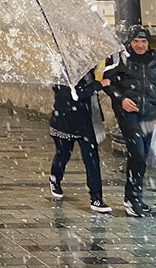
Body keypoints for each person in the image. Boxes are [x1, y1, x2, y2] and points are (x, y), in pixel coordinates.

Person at [104, 26, 156, 217]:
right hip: (129, 115)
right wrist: (121, 99)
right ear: (130, 41)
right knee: (137, 152)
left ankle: (134, 197)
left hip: (149, 115)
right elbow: (105, 82)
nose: (140, 45)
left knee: (142, 156)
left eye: (144, 41)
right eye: (136, 41)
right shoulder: (120, 58)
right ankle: (132, 198)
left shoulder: (155, 59)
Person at [48, 69, 112, 213]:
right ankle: (55, 178)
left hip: (86, 124)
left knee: (92, 160)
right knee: (63, 154)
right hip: (65, 122)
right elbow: (75, 95)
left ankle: (96, 198)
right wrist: (98, 85)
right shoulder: (61, 73)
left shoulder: (88, 71)